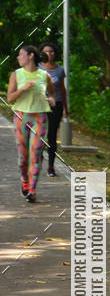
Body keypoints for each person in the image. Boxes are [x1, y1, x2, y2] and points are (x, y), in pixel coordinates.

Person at [7, 45, 55, 202]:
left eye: (21, 54)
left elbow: (52, 93)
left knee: (36, 153)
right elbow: (10, 98)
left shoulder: (44, 75)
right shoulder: (17, 75)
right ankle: (25, 182)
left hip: (39, 118)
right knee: (23, 158)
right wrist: (24, 89)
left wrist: (51, 99)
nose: (18, 57)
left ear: (30, 56)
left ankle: (32, 190)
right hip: (21, 117)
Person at [40, 42, 69, 176]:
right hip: (39, 104)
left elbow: (63, 90)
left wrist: (65, 108)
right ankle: (37, 161)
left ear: (55, 53)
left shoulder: (59, 70)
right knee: (39, 133)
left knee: (52, 136)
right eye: (46, 51)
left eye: (51, 51)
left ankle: (51, 166)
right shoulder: (37, 68)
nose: (49, 54)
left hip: (55, 105)